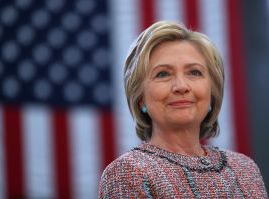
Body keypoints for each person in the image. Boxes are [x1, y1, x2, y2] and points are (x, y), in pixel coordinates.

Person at [99, 21, 268, 198]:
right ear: (140, 99)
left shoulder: (245, 168)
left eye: (194, 72)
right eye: (163, 74)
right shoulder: (127, 173)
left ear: (212, 92)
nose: (181, 86)